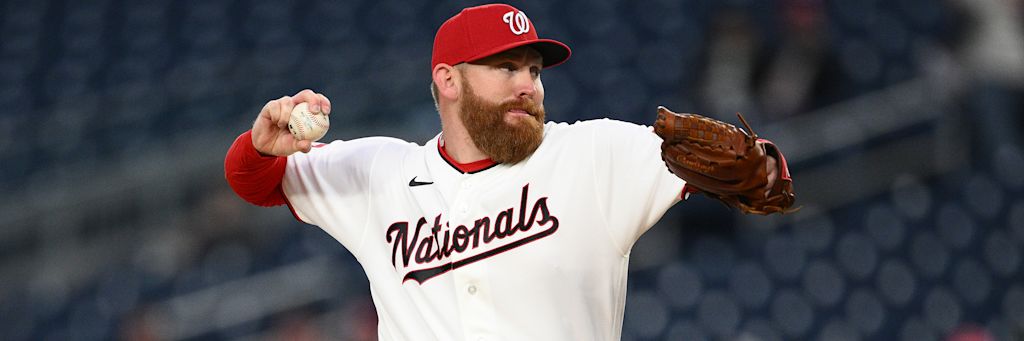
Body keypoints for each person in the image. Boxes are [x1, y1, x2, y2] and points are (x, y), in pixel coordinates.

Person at [225, 3, 788, 340]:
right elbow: (252, 182)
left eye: (534, 68)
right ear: (449, 80)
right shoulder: (380, 173)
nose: (529, 83)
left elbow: (761, 176)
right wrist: (261, 143)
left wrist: (761, 164)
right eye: (505, 66)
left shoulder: (594, 155)